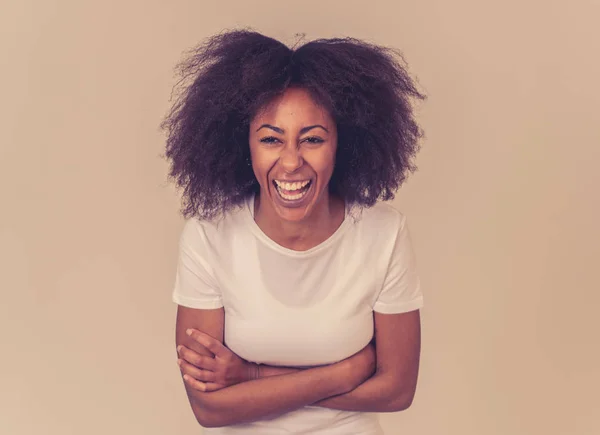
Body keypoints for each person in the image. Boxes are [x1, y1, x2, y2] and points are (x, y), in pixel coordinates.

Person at [162, 28, 425, 434]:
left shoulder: (383, 234)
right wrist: (346, 373)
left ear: (342, 143)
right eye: (271, 139)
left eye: (312, 139)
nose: (290, 162)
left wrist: (252, 376)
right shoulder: (209, 237)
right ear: (243, 144)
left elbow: (396, 390)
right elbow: (209, 408)